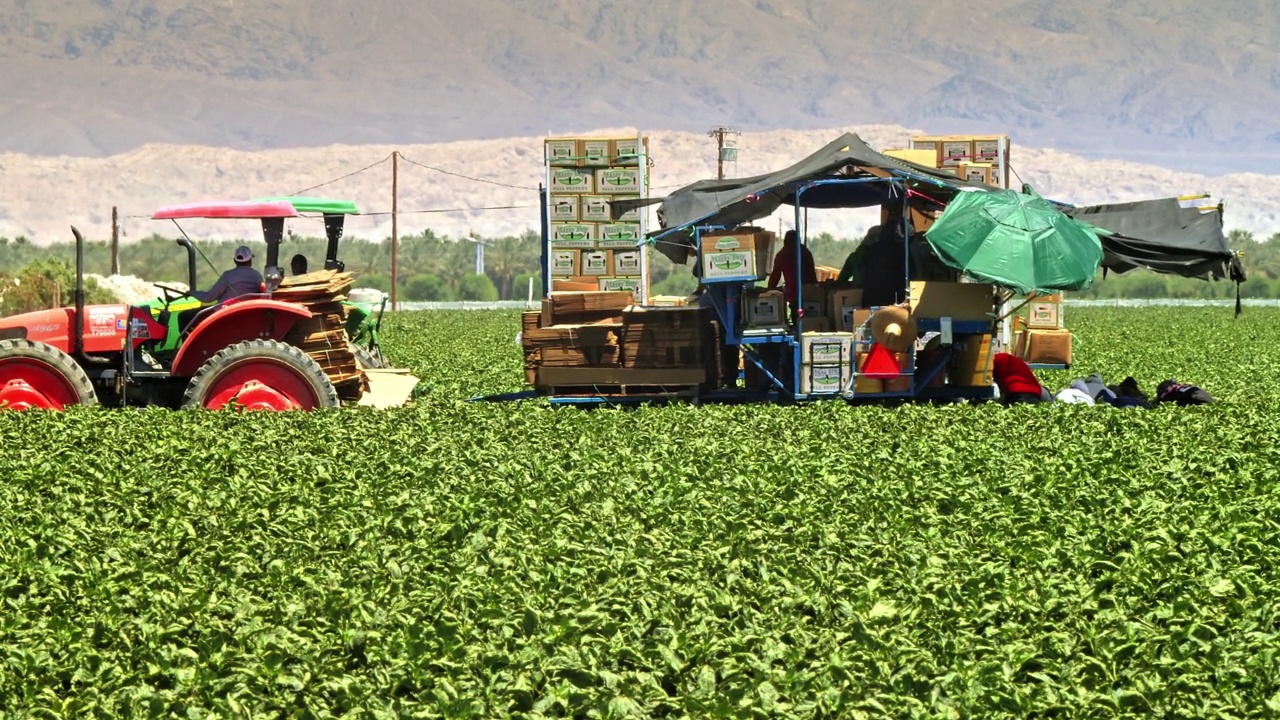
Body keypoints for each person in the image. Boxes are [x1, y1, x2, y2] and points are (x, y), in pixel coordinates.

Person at [860, 206, 909, 307]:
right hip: (892, 297)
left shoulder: (870, 250)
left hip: (871, 295)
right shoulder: (901, 250)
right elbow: (910, 273)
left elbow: (862, 269)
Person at [766, 230, 817, 315]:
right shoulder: (805, 252)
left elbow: (775, 275)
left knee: (795, 314)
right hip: (809, 290)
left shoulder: (782, 254)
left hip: (793, 292)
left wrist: (769, 290)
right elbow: (812, 272)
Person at [192, 245, 263, 303]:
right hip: (249, 313)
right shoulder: (257, 276)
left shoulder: (228, 276)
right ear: (250, 260)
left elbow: (208, 298)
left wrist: (191, 293)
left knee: (185, 315)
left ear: (235, 260)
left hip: (225, 314)